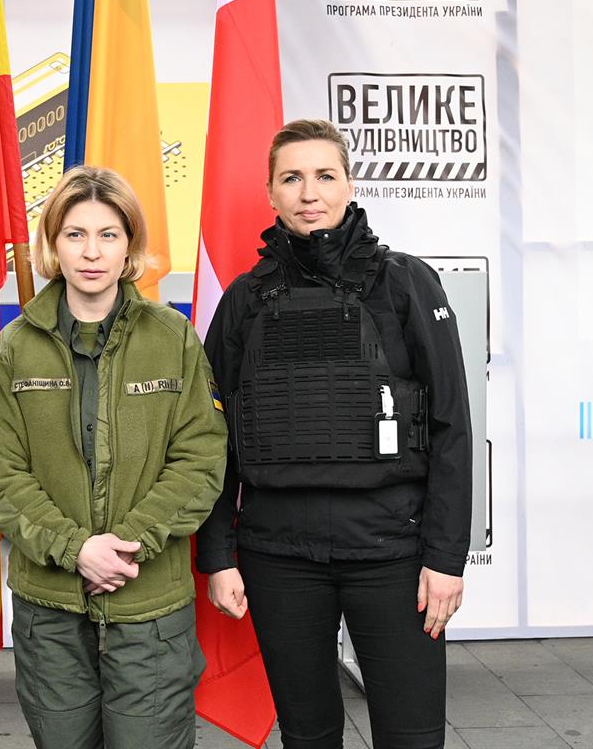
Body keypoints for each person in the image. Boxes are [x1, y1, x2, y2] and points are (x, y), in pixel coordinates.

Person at [197, 119, 472, 749]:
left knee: (411, 736)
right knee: (308, 735)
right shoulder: (244, 301)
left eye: (324, 175)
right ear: (270, 192)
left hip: (391, 554)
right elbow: (213, 437)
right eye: (291, 178)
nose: (308, 191)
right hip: (278, 555)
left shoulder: (406, 284)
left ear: (350, 184)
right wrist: (218, 555)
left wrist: (444, 558)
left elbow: (452, 426)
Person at [0, 166, 227, 749]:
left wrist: (128, 543)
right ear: (53, 245)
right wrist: (76, 549)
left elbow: (200, 458)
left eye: (108, 235)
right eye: (75, 234)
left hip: (150, 609)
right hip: (50, 611)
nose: (92, 252)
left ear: (130, 244)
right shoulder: (14, 348)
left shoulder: (172, 337)